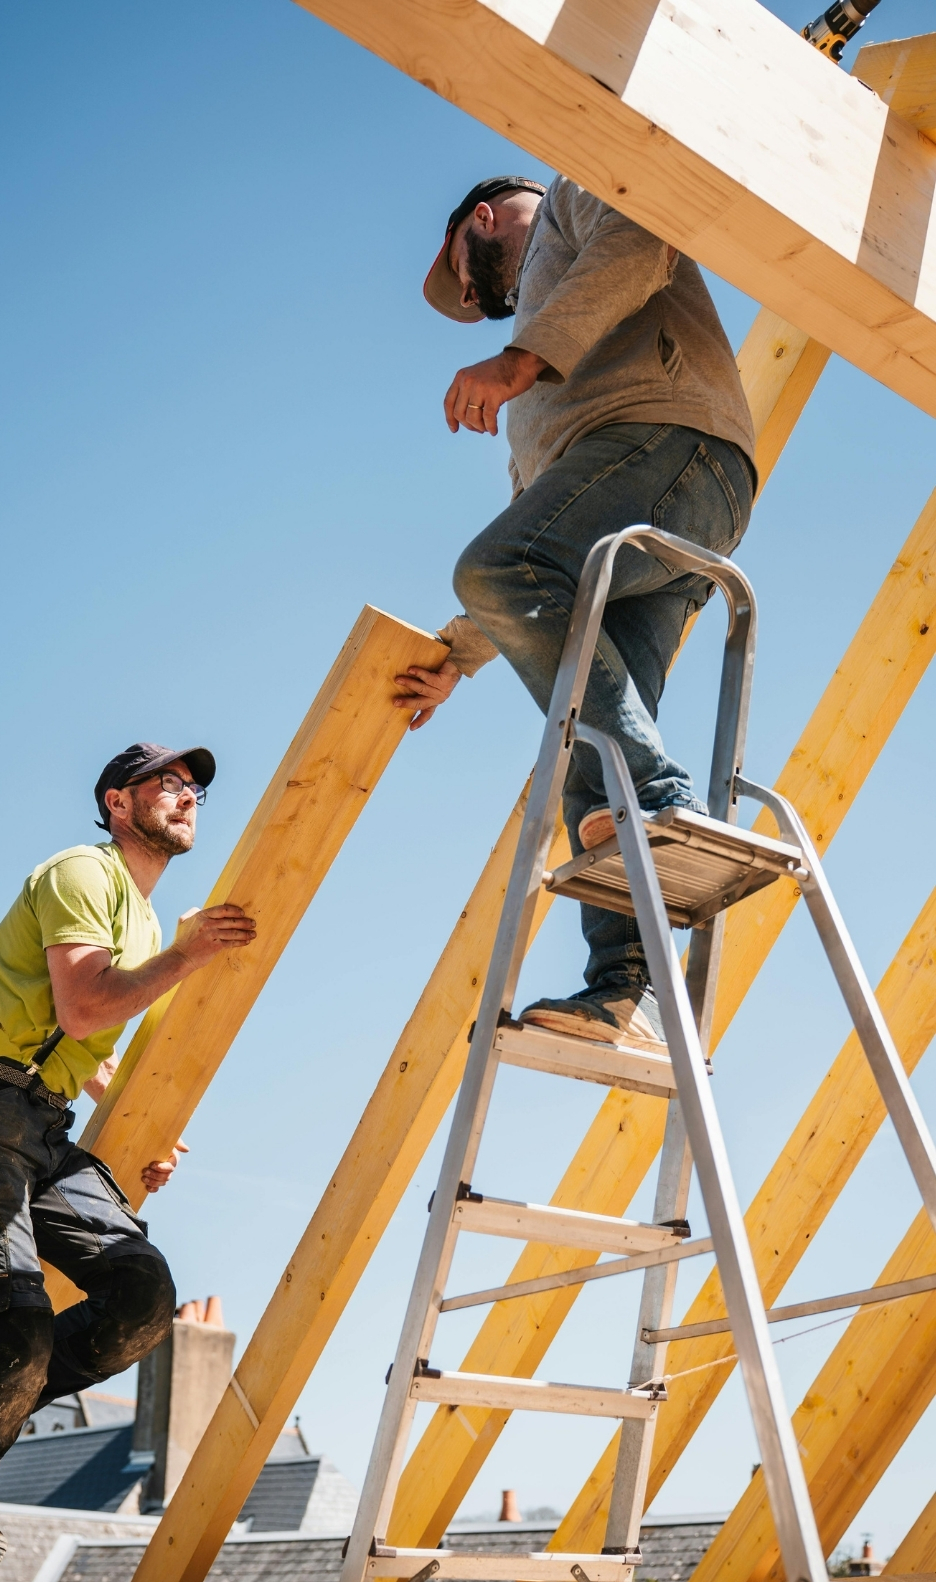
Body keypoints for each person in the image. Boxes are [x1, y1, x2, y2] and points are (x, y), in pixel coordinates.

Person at [0, 742, 256, 1582]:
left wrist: (150, 1130)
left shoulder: (147, 922)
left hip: (42, 1125)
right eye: (168, 782)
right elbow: (85, 1004)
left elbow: (86, 1051)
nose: (188, 795)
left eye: (195, 786)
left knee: (140, 1301)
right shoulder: (81, 874)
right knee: (11, 1333)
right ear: (117, 802)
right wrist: (192, 956)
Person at [394, 174, 757, 1057]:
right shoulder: (541, 356)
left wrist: (519, 363)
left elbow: (641, 234)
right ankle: (623, 995)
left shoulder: (577, 187)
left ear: (477, 222)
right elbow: (542, 553)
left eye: (470, 286)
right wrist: (462, 653)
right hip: (637, 494)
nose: (487, 306)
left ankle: (664, 795)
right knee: (585, 752)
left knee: (495, 568)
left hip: (666, 445)